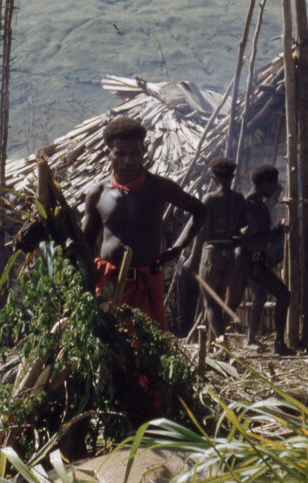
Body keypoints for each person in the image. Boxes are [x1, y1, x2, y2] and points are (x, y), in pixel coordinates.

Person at [82, 116, 207, 330]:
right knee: (109, 347)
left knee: (154, 346)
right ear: (108, 154)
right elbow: (85, 242)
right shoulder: (98, 193)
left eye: (135, 153)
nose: (128, 160)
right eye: (120, 153)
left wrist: (176, 249)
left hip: (147, 282)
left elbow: (200, 211)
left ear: (144, 152)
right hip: (108, 284)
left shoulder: (159, 187)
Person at [190, 157, 249, 341]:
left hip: (212, 253)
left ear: (213, 177)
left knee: (210, 304)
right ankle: (213, 345)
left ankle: (221, 343)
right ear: (232, 177)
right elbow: (245, 226)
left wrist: (192, 258)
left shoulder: (210, 199)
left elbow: (201, 232)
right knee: (219, 298)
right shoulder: (239, 199)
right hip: (229, 253)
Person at [240, 164, 295, 355]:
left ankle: (279, 343)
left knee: (283, 294)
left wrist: (275, 234)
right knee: (231, 301)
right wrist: (270, 237)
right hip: (242, 263)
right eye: (274, 185)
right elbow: (241, 239)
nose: (275, 190)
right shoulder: (245, 206)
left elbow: (262, 237)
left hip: (256, 263)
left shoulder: (261, 207)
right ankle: (223, 341)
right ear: (264, 184)